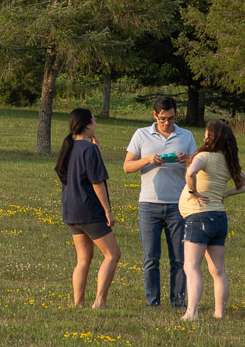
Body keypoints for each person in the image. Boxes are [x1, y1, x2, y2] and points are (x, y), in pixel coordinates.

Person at [122, 95, 197, 308]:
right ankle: (152, 301)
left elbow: (196, 168)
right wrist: (147, 160)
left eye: (171, 119)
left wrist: (187, 162)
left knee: (179, 258)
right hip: (149, 204)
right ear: (155, 115)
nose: (167, 123)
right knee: (151, 258)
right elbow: (127, 167)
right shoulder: (141, 135)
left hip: (178, 204)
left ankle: (178, 301)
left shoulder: (186, 135)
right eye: (163, 119)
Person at [179, 120, 245, 321]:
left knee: (191, 266)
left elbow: (190, 172)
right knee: (218, 270)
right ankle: (219, 313)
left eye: (206, 134)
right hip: (219, 218)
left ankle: (191, 312)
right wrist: (226, 194)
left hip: (199, 217)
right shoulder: (228, 160)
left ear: (210, 137)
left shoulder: (203, 156)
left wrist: (193, 192)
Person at [57, 107, 121, 309]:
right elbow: (97, 183)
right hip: (89, 211)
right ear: (87, 125)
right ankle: (99, 301)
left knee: (83, 258)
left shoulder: (68, 147)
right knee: (112, 254)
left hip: (71, 211)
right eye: (94, 120)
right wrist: (107, 211)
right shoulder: (89, 150)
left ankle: (78, 303)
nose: (96, 123)